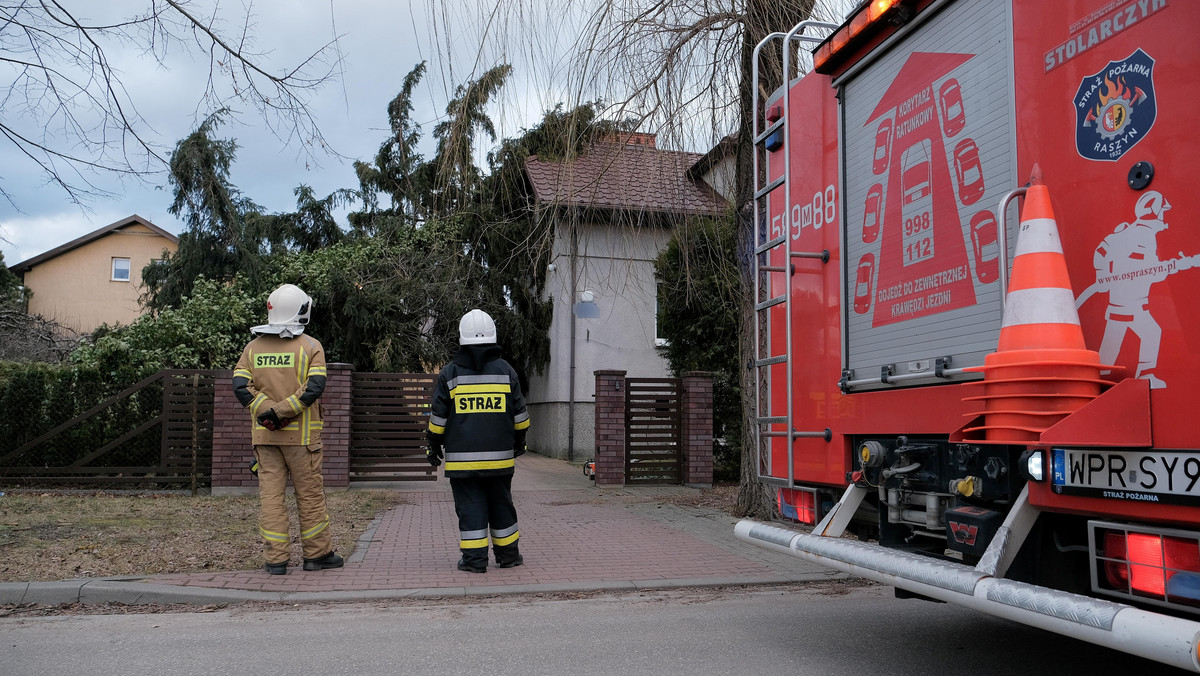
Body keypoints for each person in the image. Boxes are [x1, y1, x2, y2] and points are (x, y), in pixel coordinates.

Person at [233, 283, 343, 575]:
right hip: (303, 440)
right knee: (309, 498)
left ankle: (276, 560)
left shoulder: (252, 348)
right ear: (301, 311)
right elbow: (314, 388)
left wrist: (267, 412)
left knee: (270, 499)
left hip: (265, 439)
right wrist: (283, 412)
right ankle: (316, 556)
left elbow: (240, 388)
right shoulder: (310, 346)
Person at [426, 309, 530, 573]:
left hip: (463, 464)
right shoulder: (507, 371)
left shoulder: (450, 374)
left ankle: (474, 561)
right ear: (493, 336)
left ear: (461, 337)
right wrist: (520, 442)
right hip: (500, 461)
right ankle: (508, 557)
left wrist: (433, 446)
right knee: (502, 506)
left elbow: (438, 418)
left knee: (471, 509)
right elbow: (521, 416)